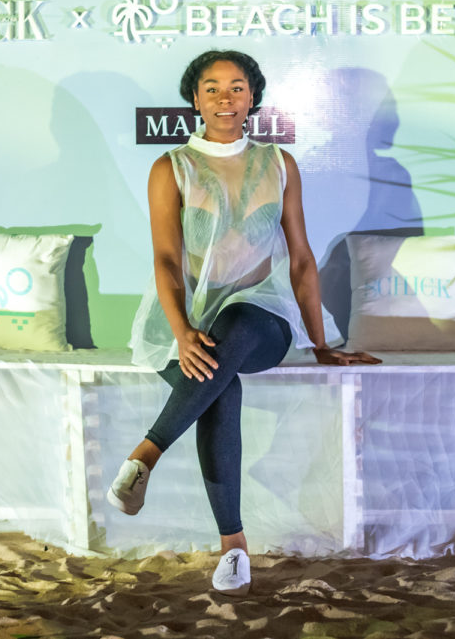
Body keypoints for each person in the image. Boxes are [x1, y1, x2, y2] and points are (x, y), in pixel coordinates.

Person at [109, 50, 379, 596]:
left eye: (236, 87)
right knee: (221, 388)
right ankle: (234, 549)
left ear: (252, 96)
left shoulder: (279, 163)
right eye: (212, 88)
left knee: (238, 319)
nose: (224, 98)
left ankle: (145, 456)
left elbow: (300, 260)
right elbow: (166, 259)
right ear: (194, 98)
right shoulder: (171, 168)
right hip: (185, 322)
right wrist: (182, 332)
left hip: (263, 319)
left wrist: (321, 341)